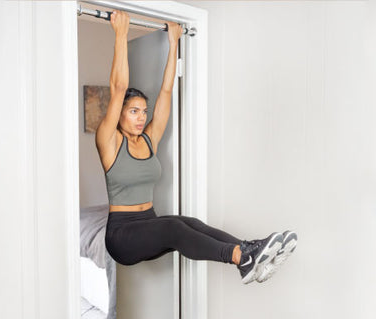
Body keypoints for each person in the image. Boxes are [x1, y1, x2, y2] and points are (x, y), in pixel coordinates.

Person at [95, 10, 297, 284]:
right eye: (133, 111)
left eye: (144, 111)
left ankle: (250, 249)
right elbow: (118, 88)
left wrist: (174, 43)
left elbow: (166, 92)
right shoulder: (109, 140)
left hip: (148, 223)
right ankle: (241, 257)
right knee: (173, 227)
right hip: (122, 236)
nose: (142, 117)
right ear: (118, 114)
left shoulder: (148, 138)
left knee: (190, 223)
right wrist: (121, 34)